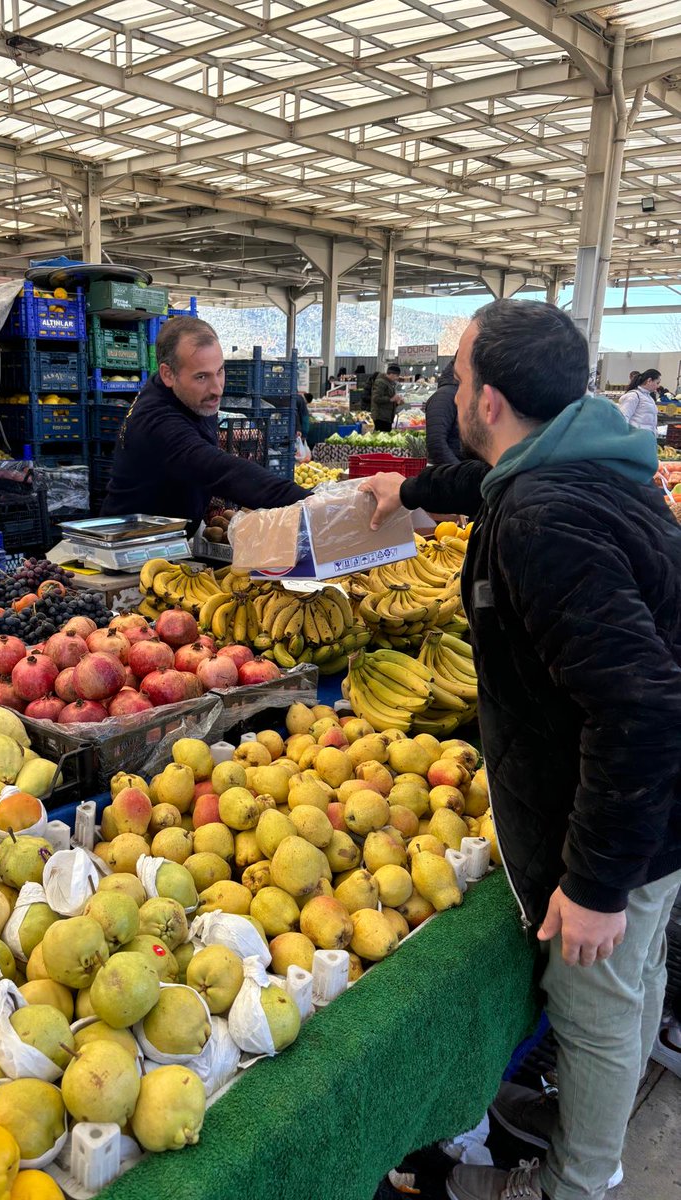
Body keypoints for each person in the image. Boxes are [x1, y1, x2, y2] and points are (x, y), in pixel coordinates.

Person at [358, 299, 681, 1200]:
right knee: (634, 980)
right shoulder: (583, 460)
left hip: (632, 812)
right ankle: (592, 1146)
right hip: (647, 803)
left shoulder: (544, 524)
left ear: (489, 400)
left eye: (458, 378)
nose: (451, 392)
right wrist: (410, 490)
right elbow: (493, 481)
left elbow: (644, 709)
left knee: (597, 1012)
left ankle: (582, 1182)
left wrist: (595, 883)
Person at [101, 317, 308, 526]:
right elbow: (223, 472)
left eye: (219, 371)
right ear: (167, 374)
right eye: (202, 377)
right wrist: (313, 503)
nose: (217, 388)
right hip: (130, 544)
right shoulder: (157, 423)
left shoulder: (185, 394)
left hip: (168, 538)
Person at [424, 359, 461, 465]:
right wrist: (461, 472)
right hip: (447, 474)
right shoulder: (445, 396)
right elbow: (436, 443)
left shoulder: (458, 393)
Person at [618, 367, 661, 436]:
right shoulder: (633, 396)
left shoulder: (649, 398)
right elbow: (623, 418)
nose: (658, 386)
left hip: (646, 439)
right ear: (649, 381)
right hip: (635, 438)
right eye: (657, 383)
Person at [371, 362, 402, 432]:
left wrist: (397, 402)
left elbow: (389, 399)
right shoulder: (381, 382)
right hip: (380, 417)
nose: (397, 378)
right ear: (391, 374)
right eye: (396, 376)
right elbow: (376, 398)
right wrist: (391, 399)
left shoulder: (389, 383)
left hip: (387, 417)